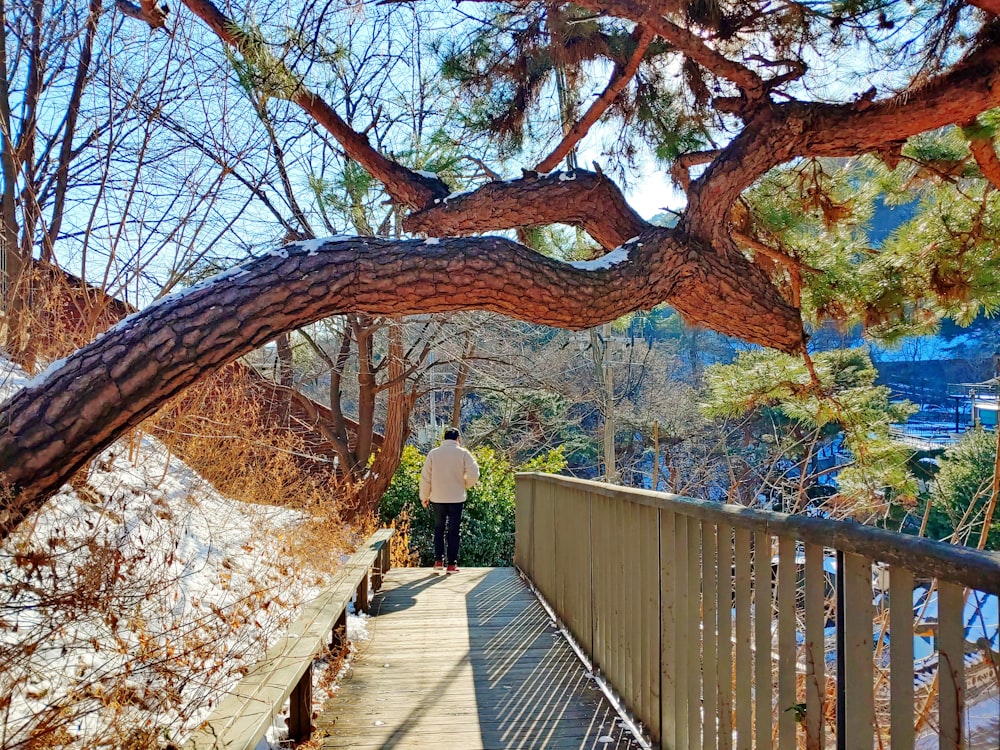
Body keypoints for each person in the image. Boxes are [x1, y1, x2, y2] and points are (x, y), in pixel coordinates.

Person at [420, 427, 479, 574]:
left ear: (444, 439)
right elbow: (474, 473)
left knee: (439, 529)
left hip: (437, 498)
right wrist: (465, 484)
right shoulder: (463, 453)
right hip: (456, 497)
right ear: (457, 439)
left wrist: (424, 496)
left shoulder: (433, 454)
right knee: (453, 531)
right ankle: (452, 564)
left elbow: (426, 478)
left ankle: (438, 561)